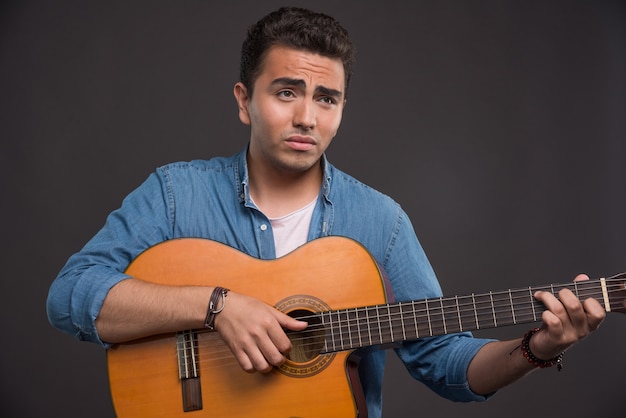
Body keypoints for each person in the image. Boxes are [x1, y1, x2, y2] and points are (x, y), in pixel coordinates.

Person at [46, 6, 605, 417]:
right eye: (287, 92)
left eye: (326, 98)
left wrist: (539, 347)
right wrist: (214, 305)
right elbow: (70, 295)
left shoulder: (380, 222)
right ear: (244, 100)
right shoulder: (174, 194)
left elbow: (443, 362)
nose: (307, 117)